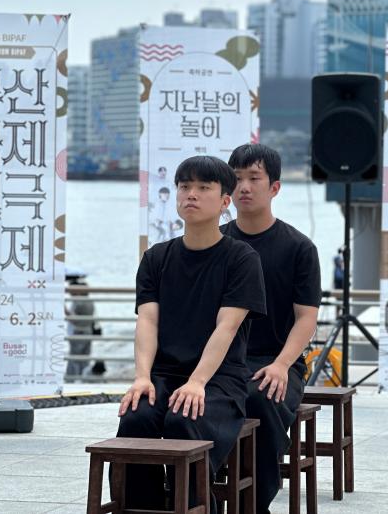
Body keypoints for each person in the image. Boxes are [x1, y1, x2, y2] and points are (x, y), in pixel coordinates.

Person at [116, 155, 267, 511]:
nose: (191, 195)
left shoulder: (241, 259)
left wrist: (198, 381)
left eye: (203, 187)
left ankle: (195, 507)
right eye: (184, 186)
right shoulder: (156, 258)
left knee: (184, 418)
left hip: (219, 380)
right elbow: (147, 321)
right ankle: (144, 509)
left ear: (225, 201)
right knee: (136, 417)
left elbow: (227, 327)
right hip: (164, 375)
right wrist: (142, 377)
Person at [222, 144, 321, 514]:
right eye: (236, 178)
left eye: (254, 178)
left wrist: (281, 364)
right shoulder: (216, 241)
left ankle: (252, 504)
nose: (244, 187)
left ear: (274, 187)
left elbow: (306, 318)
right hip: (221, 360)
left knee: (262, 398)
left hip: (278, 360)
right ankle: (192, 496)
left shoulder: (299, 248)